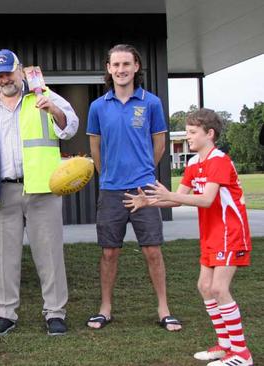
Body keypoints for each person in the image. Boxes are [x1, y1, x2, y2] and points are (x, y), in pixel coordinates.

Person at [124, 108, 253, 366]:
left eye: (193, 132)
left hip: (230, 232)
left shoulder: (219, 161)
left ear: (210, 134)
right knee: (204, 287)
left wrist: (169, 195)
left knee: (219, 288)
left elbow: (205, 200)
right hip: (210, 234)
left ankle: (242, 354)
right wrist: (147, 201)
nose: (188, 136)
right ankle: (224, 346)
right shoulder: (194, 164)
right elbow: (176, 198)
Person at [0, 49, 79, 336]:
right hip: (3, 190)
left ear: (20, 71)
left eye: (9, 72)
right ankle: (5, 313)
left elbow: (71, 127)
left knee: (50, 254)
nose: (5, 79)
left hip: (43, 189)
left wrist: (53, 109)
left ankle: (55, 312)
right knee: (3, 256)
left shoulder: (43, 94)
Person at [85, 44, 182, 332]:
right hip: (111, 190)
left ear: (136, 66)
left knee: (152, 251)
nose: (121, 70)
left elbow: (160, 144)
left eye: (126, 64)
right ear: (109, 68)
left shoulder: (151, 103)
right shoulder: (98, 106)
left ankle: (164, 309)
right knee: (109, 253)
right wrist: (110, 176)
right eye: (115, 65)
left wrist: (143, 173)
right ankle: (105, 308)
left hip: (144, 190)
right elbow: (95, 148)